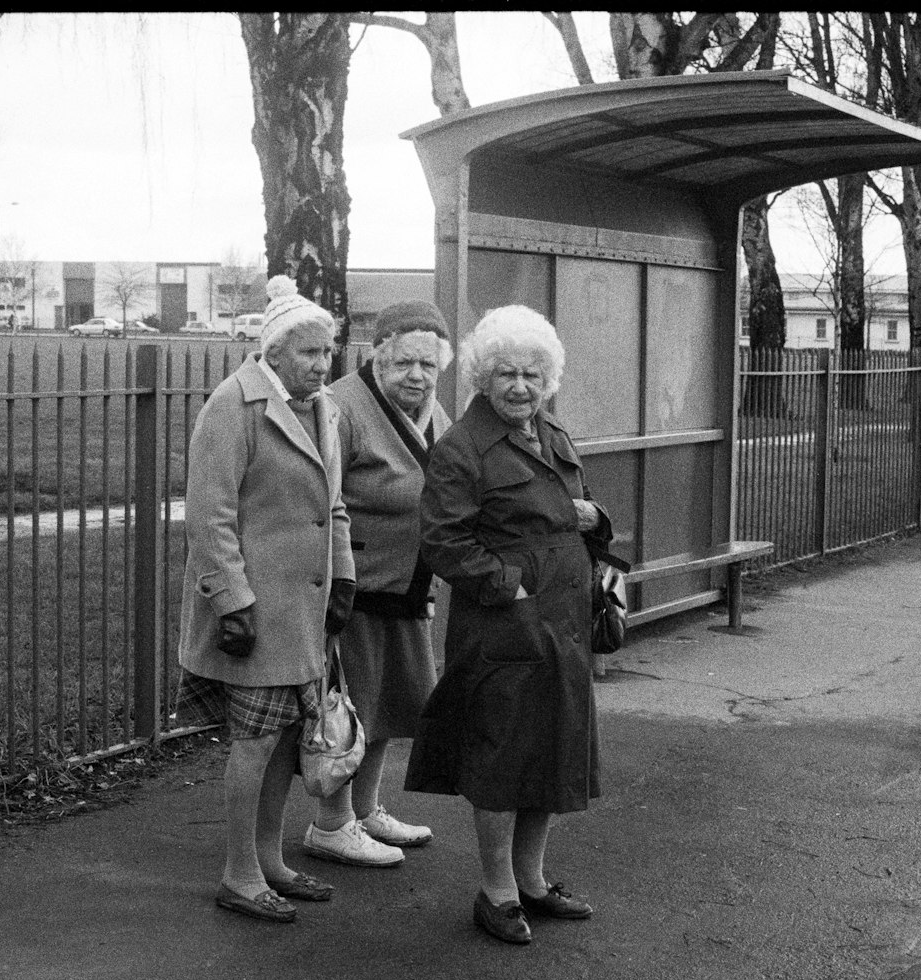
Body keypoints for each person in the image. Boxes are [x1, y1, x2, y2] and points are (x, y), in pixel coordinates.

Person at [175, 274, 404, 923]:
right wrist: (232, 604)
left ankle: (272, 860)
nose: (322, 363)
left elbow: (332, 504)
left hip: (304, 613)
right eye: (309, 352)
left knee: (282, 740)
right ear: (273, 353)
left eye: (327, 351)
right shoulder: (234, 405)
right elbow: (209, 516)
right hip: (254, 612)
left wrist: (345, 575)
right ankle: (239, 872)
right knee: (252, 741)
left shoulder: (321, 408)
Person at [406, 304, 615, 945]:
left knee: (551, 749)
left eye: (531, 374)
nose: (519, 386)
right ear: (480, 378)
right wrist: (510, 585)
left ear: (547, 377)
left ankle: (533, 880)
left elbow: (568, 514)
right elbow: (443, 542)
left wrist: (596, 522)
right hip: (505, 628)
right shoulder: (462, 449)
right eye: (505, 374)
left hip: (565, 624)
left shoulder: (551, 433)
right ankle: (496, 891)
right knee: (500, 756)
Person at [316, 300, 454, 855]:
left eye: (427, 364)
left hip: (409, 585)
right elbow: (320, 499)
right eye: (403, 364)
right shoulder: (342, 407)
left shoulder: (433, 413)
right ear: (377, 359)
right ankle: (330, 824)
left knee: (390, 705)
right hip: (357, 587)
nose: (416, 376)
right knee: (351, 707)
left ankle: (366, 811)